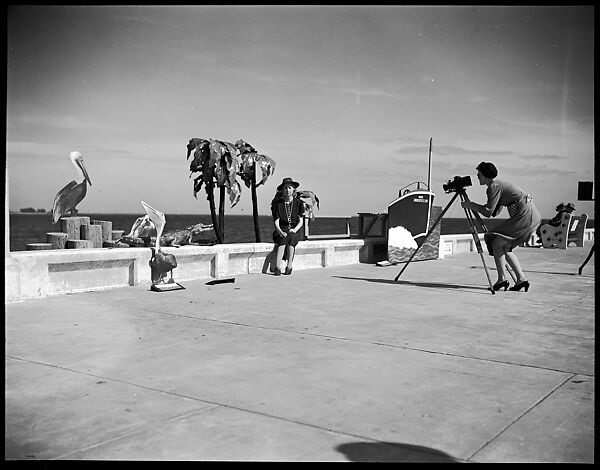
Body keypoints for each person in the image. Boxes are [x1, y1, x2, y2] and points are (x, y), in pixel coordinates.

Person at [461, 162, 542, 292]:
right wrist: (484, 207)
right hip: (532, 215)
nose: (477, 176)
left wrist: (471, 205)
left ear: (486, 176)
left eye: (479, 174)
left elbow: (487, 212)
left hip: (525, 215)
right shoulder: (498, 185)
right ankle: (521, 280)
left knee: (495, 240)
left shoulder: (493, 186)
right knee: (503, 245)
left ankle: (502, 280)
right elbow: (495, 212)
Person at [271, 177, 305, 275]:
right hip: (280, 229)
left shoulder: (298, 203)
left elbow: (301, 221)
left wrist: (295, 229)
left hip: (293, 230)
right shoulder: (278, 204)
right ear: (282, 190)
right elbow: (276, 221)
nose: (287, 190)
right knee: (283, 238)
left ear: (293, 189)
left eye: (290, 188)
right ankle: (278, 267)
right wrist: (280, 231)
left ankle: (289, 266)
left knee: (292, 238)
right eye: (285, 188)